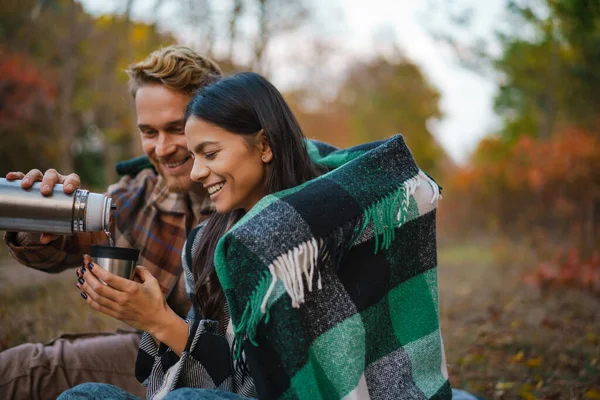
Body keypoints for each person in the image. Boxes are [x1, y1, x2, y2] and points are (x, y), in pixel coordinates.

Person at [59, 72, 481, 400]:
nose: (197, 172)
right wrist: (152, 319)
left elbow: (268, 385)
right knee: (86, 395)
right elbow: (214, 375)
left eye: (210, 154)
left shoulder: (324, 235)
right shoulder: (208, 244)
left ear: (263, 146)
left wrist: (160, 321)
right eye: (194, 157)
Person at [0, 45, 222, 400]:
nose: (162, 149)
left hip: (228, 376)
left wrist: (158, 317)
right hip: (156, 355)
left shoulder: (249, 199)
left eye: (176, 128)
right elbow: (58, 252)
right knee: (21, 371)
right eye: (149, 132)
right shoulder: (138, 196)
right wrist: (40, 221)